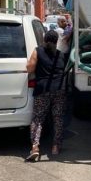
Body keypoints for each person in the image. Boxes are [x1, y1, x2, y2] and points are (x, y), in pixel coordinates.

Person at [25, 30, 67, 161]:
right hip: (59, 90)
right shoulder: (61, 55)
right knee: (58, 118)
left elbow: (30, 68)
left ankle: (35, 147)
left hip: (42, 90)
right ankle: (56, 146)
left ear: (44, 39)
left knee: (38, 119)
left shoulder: (38, 51)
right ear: (56, 42)